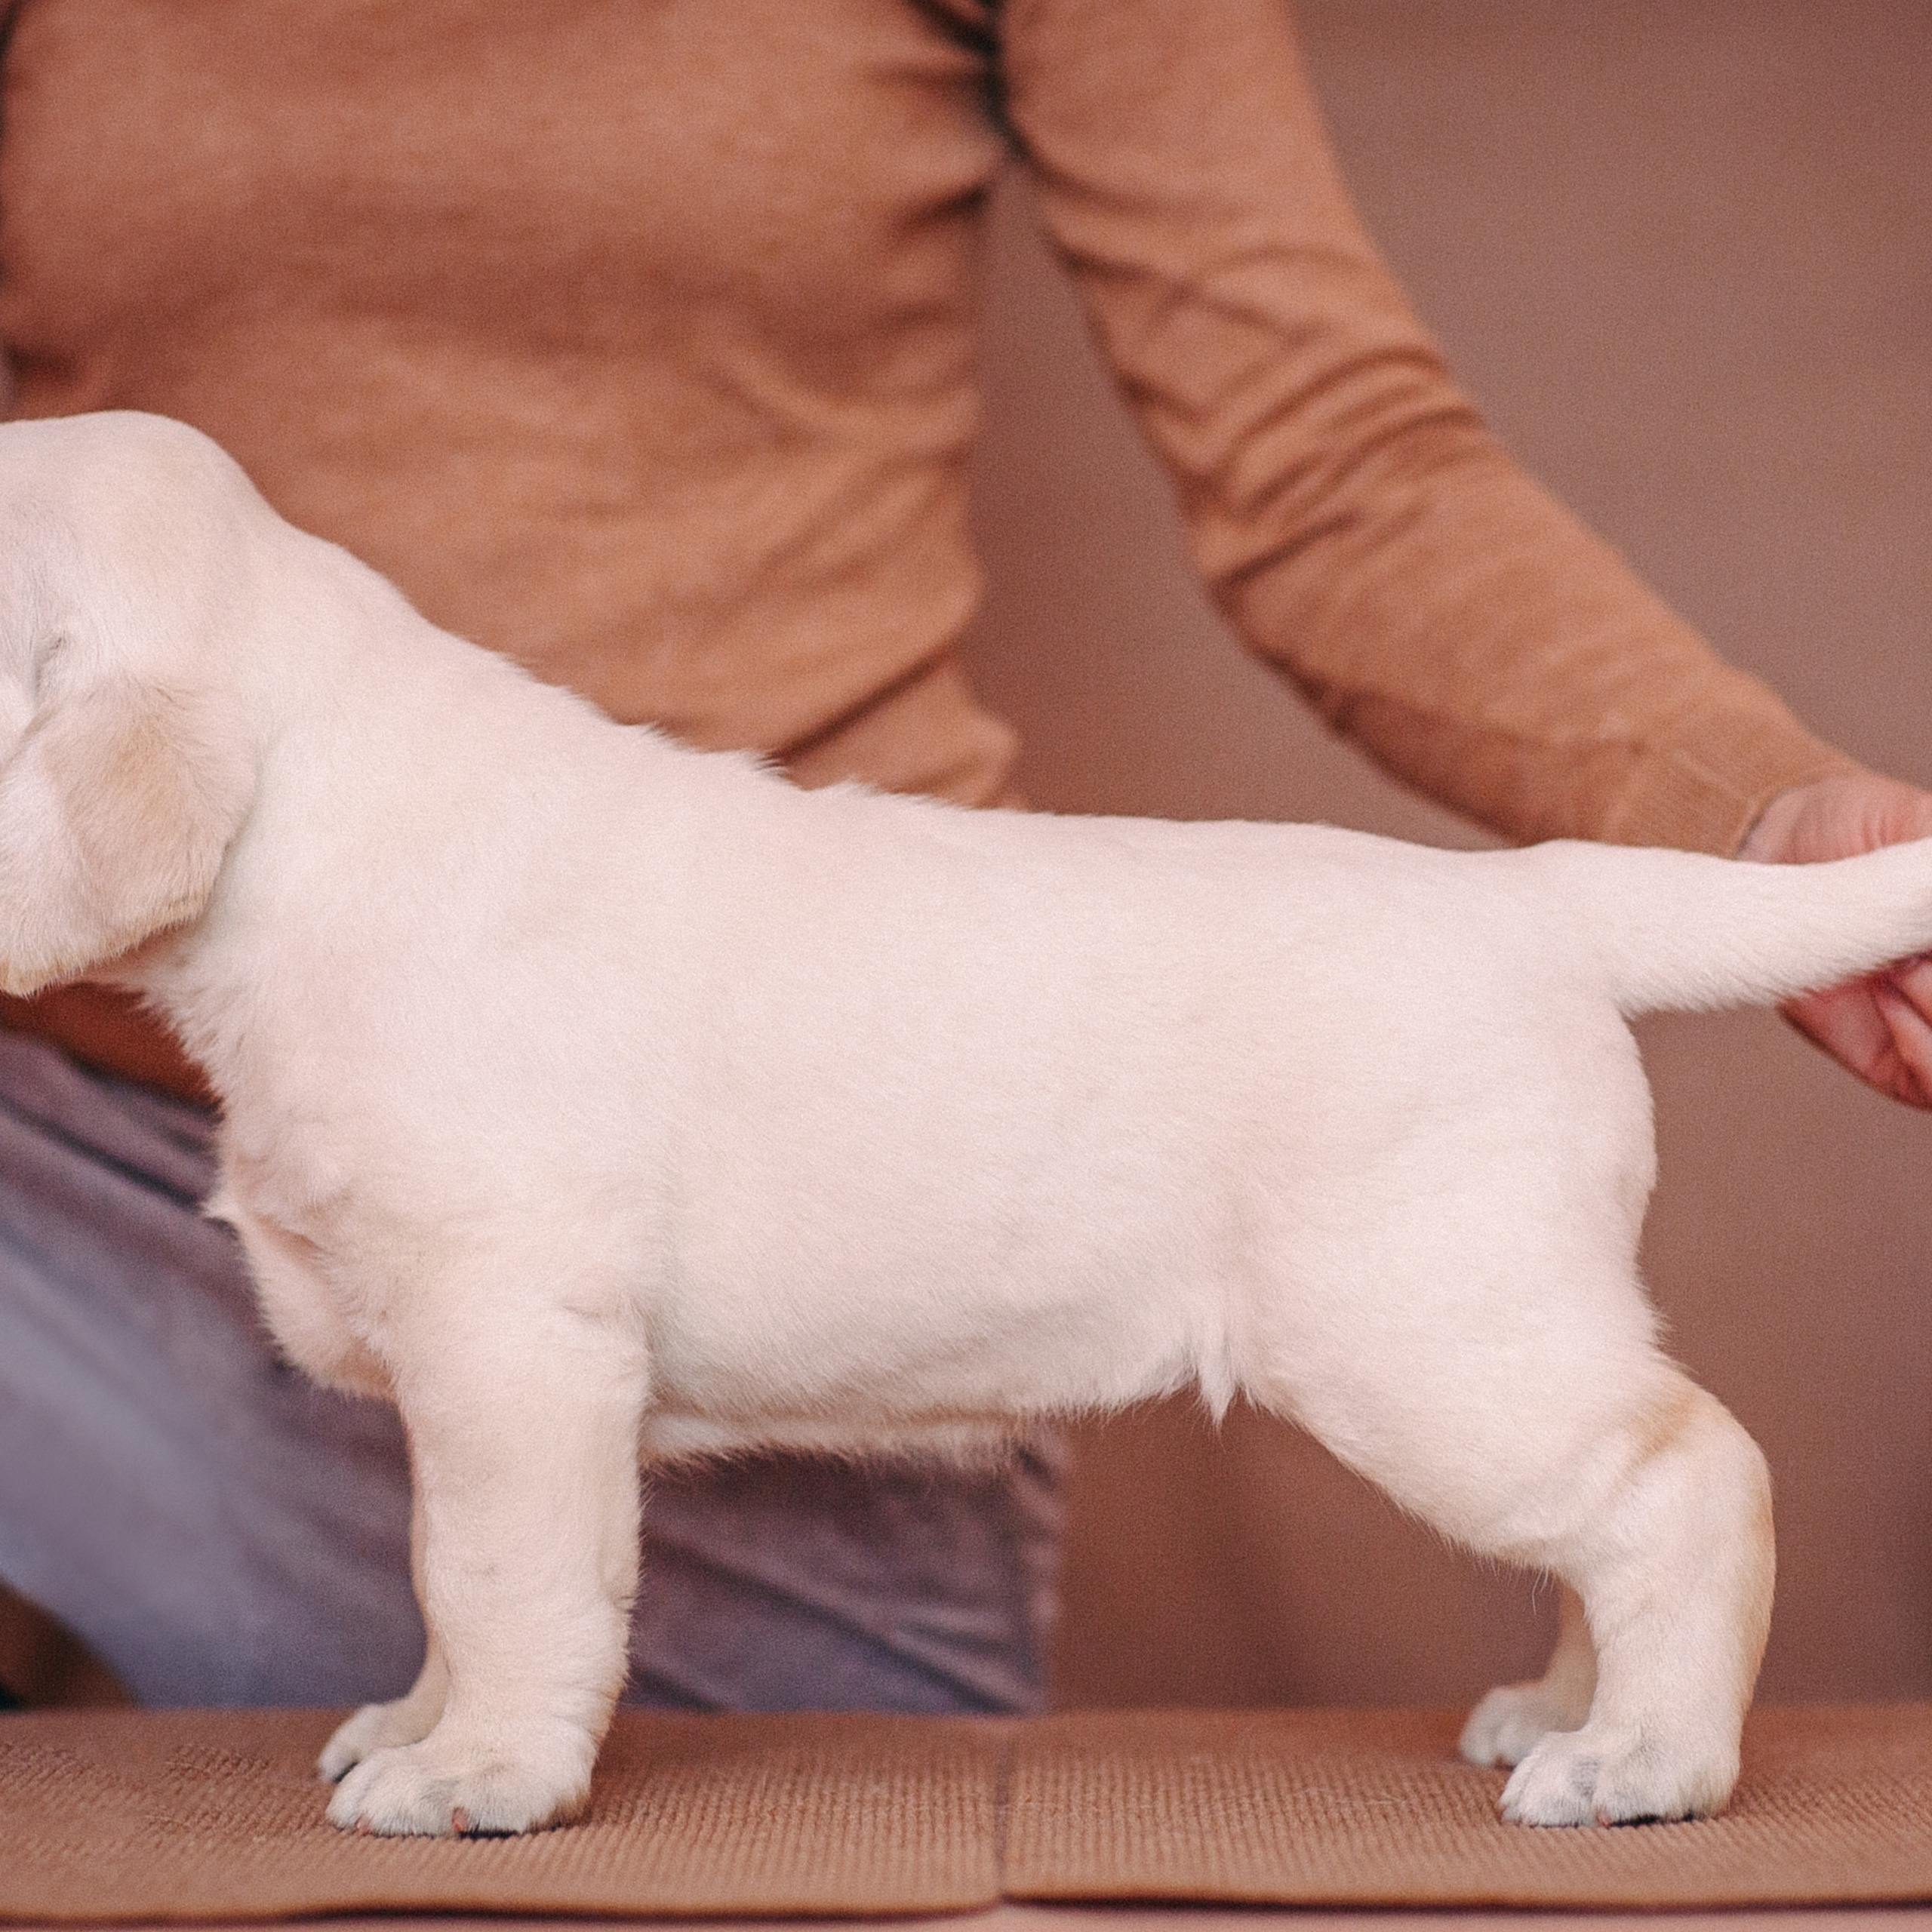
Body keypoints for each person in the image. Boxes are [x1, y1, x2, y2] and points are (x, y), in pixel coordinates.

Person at [0, 0, 1926, 1712]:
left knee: (1428, 1407)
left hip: (895, 1141)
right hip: (59, 1202)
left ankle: (1643, 1512)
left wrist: (1746, 810)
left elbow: (1334, 457)